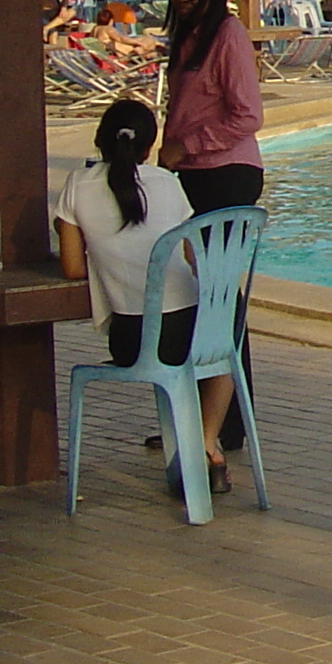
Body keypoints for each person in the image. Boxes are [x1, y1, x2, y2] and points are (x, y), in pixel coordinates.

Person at [55, 99, 232, 494]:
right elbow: (191, 256)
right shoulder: (168, 183)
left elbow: (71, 268)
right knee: (224, 336)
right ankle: (206, 442)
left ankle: (200, 446)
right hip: (190, 333)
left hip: (135, 340)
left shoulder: (77, 187)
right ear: (149, 148)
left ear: (100, 140)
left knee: (180, 347)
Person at [159, 0, 264, 447]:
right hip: (190, 175)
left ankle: (224, 424)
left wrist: (189, 145)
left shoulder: (228, 34)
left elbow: (248, 115)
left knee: (221, 297)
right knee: (197, 296)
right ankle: (201, 413)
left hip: (226, 174)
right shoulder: (185, 36)